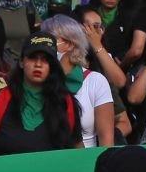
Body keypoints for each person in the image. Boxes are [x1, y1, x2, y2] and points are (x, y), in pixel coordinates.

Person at [0, 34, 81, 157]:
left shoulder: (66, 103)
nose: (38, 64)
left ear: (52, 66)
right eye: (32, 58)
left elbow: (78, 153)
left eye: (45, 59)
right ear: (21, 62)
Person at [47, 13, 116, 148]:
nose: (45, 46)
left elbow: (106, 142)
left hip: (84, 162)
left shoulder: (96, 81)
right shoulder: (37, 81)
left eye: (50, 41)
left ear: (70, 43)